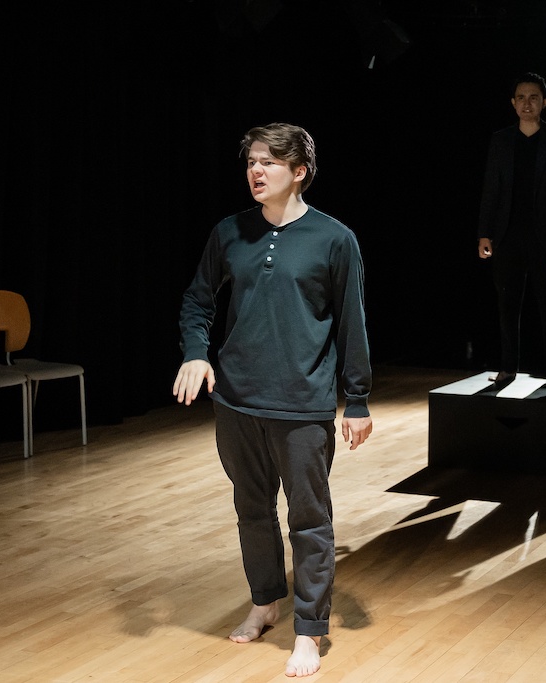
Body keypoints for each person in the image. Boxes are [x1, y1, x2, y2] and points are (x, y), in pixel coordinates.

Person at [173, 123, 373, 677]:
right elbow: (197, 301)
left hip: (302, 404)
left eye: (269, 162)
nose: (256, 172)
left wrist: (356, 399)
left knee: (310, 519)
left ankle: (309, 631)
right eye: (251, 162)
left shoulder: (336, 240)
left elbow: (352, 324)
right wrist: (196, 353)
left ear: (299, 171)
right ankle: (266, 601)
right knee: (251, 511)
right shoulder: (229, 233)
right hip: (236, 400)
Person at [478, 72, 546, 388]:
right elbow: (491, 188)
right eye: (521, 97)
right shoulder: (501, 139)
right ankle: (508, 367)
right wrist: (484, 233)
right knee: (507, 306)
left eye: (533, 97)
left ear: (544, 102)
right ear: (513, 103)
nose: (527, 103)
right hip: (507, 235)